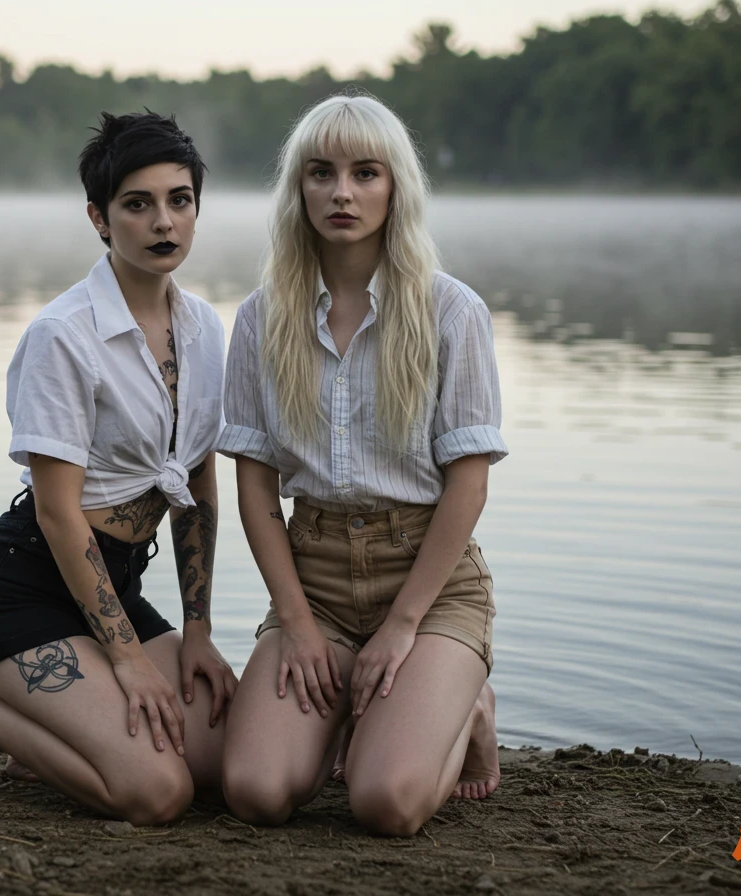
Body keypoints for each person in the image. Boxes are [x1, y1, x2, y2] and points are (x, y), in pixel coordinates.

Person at [0, 111, 237, 826]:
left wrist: (195, 631)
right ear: (99, 219)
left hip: (115, 583)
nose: (163, 221)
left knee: (217, 764)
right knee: (158, 793)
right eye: (137, 204)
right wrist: (129, 661)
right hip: (25, 590)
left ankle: (56, 730)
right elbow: (57, 513)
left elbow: (197, 486)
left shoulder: (204, 328)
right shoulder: (63, 336)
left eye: (179, 199)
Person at [217, 93, 506, 836]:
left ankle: (466, 711)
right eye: (321, 173)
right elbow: (255, 485)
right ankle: (354, 703)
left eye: (365, 173)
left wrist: (404, 623)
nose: (342, 192)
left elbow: (467, 487)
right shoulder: (260, 317)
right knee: (255, 791)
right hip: (313, 581)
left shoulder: (452, 312)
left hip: (429, 587)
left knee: (385, 804)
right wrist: (296, 621)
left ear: (395, 187)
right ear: (299, 189)